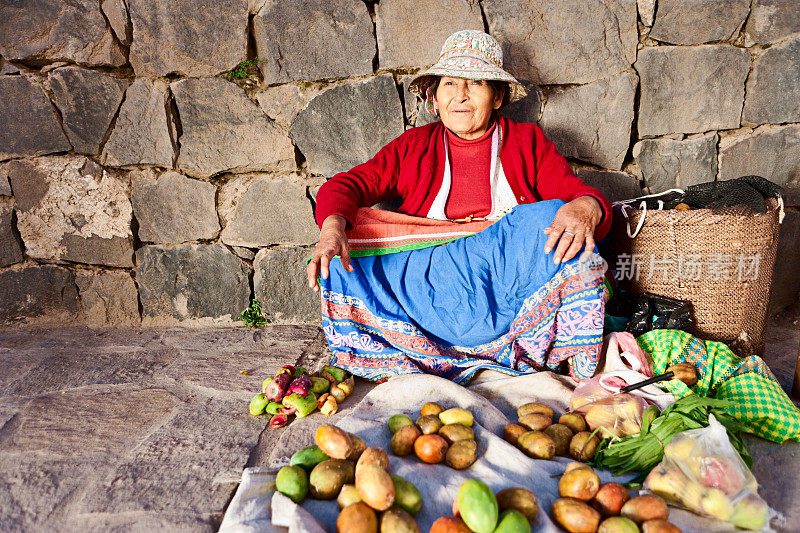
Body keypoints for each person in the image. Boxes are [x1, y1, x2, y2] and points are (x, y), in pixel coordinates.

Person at [306, 30, 612, 384]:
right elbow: (347, 185)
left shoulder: (527, 142)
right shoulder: (413, 146)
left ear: (497, 97)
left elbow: (580, 196)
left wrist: (586, 206)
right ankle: (412, 352)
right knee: (346, 239)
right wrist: (332, 229)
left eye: (477, 83)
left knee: (554, 216)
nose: (460, 96)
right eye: (449, 83)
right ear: (434, 97)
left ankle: (526, 346)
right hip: (429, 284)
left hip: (504, 277)